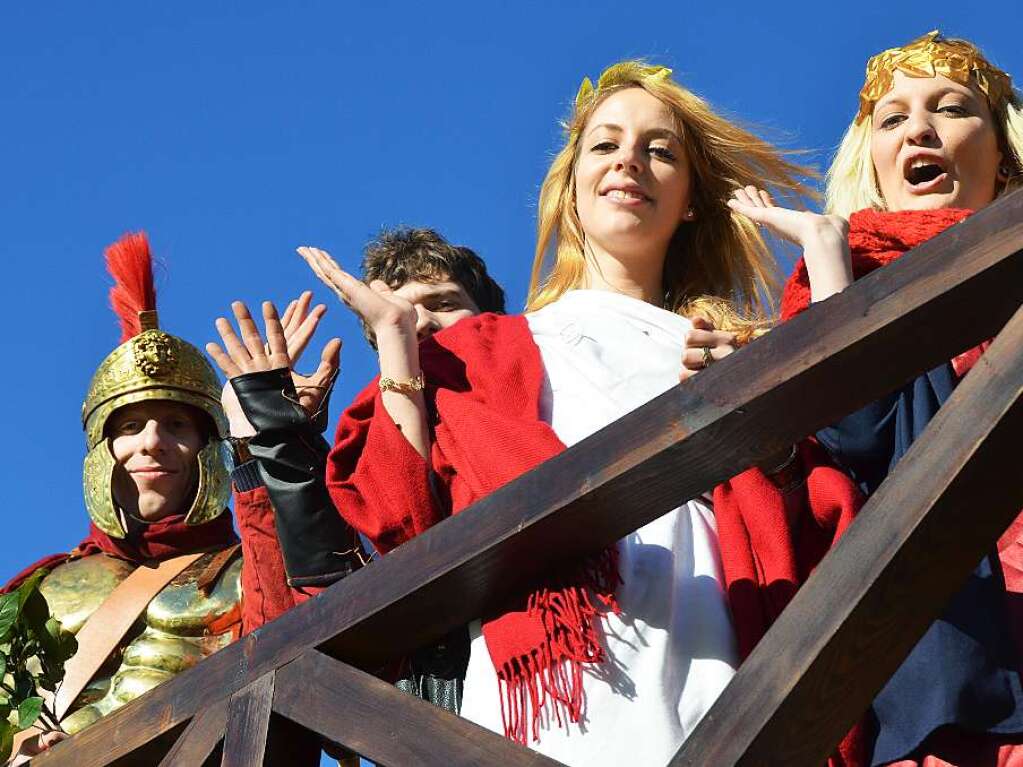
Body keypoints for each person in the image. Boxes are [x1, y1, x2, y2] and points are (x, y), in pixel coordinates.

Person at [305, 62, 868, 766]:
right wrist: (397, 345)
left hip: (723, 656)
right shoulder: (487, 348)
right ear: (572, 186)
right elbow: (399, 515)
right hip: (555, 692)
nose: (628, 159)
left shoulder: (729, 348)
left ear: (690, 198)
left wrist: (766, 429)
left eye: (658, 150)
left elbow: (833, 509)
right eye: (604, 145)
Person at [733, 31, 1023, 767]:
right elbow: (857, 437)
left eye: (950, 108)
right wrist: (829, 259)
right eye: (890, 119)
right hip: (940, 663)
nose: (919, 130)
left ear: (1004, 152)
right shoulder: (840, 283)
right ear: (871, 158)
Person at [2, 233, 316, 765]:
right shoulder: (39, 586)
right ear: (103, 449)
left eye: (175, 424)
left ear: (206, 448)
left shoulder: (253, 567)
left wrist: (271, 447)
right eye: (130, 426)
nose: (151, 441)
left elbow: (295, 651)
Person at [208, 227, 507, 716]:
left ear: (493, 318)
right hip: (438, 726)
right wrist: (270, 441)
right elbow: (310, 619)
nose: (422, 322)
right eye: (403, 315)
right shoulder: (364, 457)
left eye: (445, 303)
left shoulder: (544, 397)